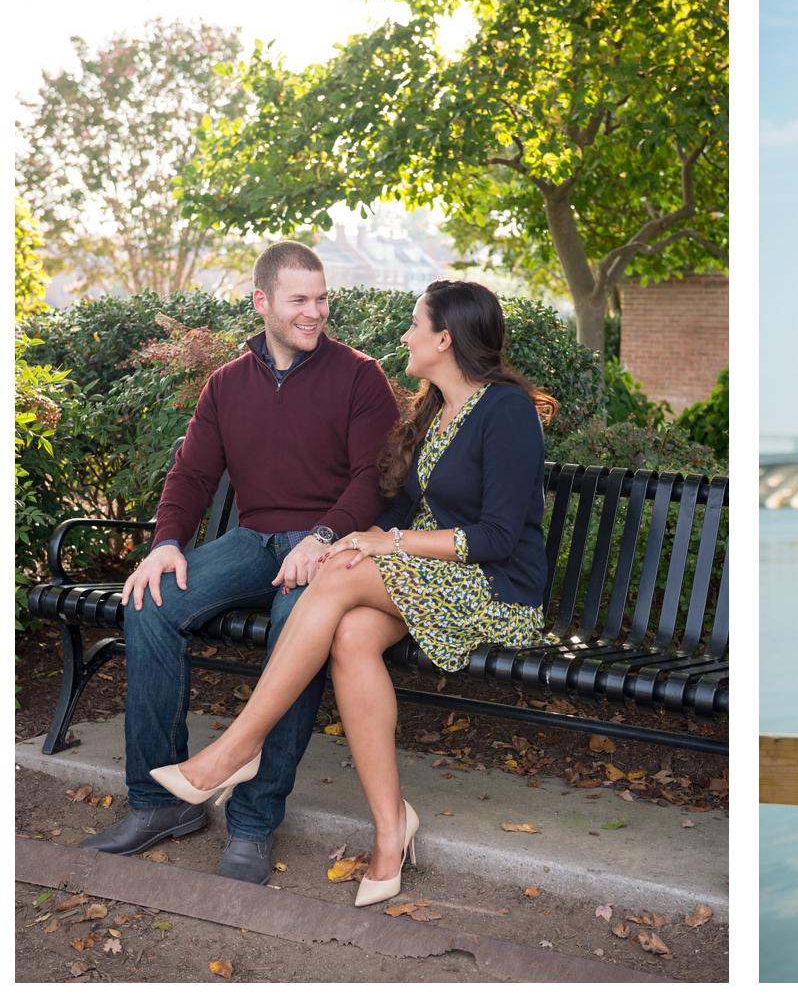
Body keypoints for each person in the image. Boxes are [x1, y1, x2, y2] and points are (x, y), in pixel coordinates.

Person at [149, 279, 558, 907]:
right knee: (348, 632)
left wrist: (382, 543)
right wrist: (363, 533)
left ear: (445, 339)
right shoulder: (433, 409)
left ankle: (236, 749)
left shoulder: (505, 409)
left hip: (496, 588)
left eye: (415, 325)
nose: (404, 336)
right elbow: (396, 501)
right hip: (436, 581)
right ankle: (391, 827)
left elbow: (500, 537)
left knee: (338, 570)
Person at [87, 242, 400, 884]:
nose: (315, 312)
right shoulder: (226, 384)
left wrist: (325, 533)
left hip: (329, 548)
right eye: (299, 300)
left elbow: (375, 479)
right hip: (253, 540)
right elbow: (193, 474)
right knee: (150, 602)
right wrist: (166, 542)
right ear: (263, 303)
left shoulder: (359, 376)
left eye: (321, 298)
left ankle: (253, 823)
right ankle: (158, 805)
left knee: (296, 631)